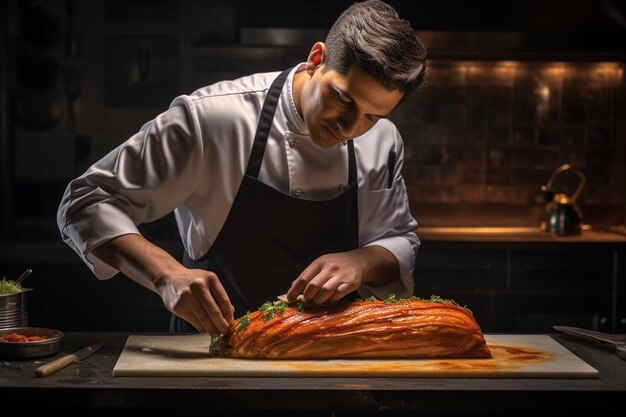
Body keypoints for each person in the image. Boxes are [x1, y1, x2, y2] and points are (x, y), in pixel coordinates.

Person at [57, 0, 427, 336]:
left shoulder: (383, 141)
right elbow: (86, 201)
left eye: (372, 116)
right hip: (213, 353)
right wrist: (166, 274)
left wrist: (360, 262)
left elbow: (398, 240)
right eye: (342, 99)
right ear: (317, 59)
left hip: (328, 356)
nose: (349, 128)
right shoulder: (212, 119)